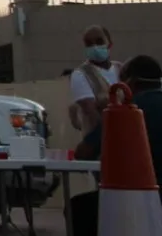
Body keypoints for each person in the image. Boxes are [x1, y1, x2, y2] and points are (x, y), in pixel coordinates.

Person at [68, 55, 162, 236]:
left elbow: (83, 152)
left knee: (78, 208)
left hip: (138, 200)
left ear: (129, 82)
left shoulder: (127, 111)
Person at [68, 25, 121, 135]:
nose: (95, 47)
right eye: (89, 44)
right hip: (100, 140)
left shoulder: (122, 70)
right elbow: (91, 112)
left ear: (110, 43)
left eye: (99, 41)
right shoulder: (81, 74)